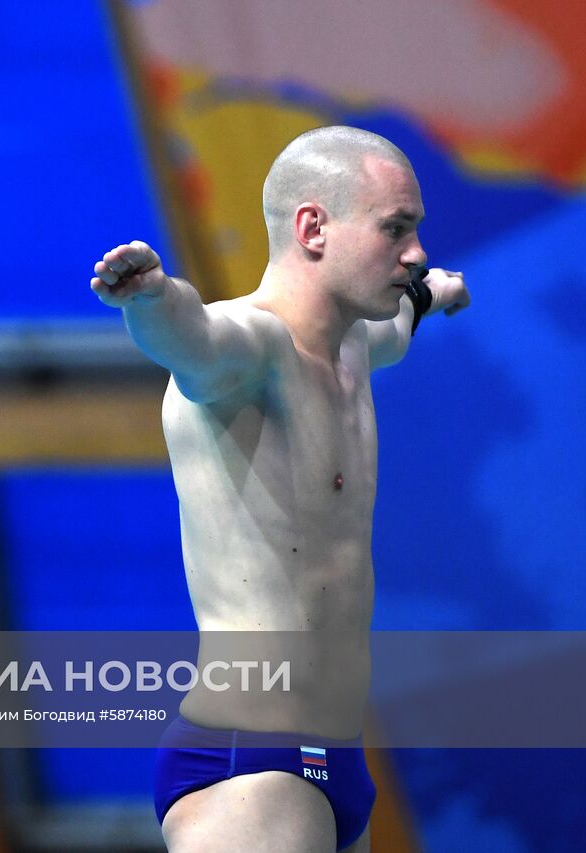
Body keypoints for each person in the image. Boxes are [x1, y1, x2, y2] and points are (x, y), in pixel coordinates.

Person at [89, 126, 470, 852]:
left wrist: (436, 292)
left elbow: (402, 320)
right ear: (313, 228)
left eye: (415, 232)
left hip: (335, 761)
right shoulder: (250, 346)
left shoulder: (357, 342)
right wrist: (150, 297)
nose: (414, 251)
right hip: (250, 769)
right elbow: (192, 343)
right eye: (396, 229)